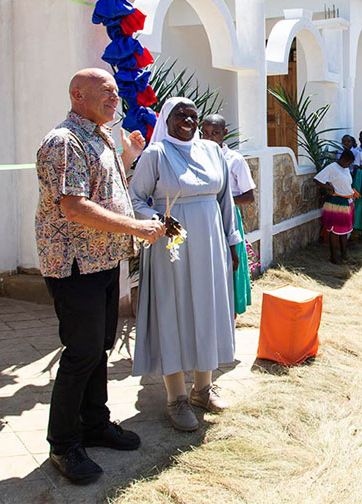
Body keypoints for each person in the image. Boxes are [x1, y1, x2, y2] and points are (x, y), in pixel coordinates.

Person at [36, 68, 166, 483]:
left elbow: (108, 191)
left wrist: (127, 157)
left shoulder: (99, 135)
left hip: (104, 261)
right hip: (76, 266)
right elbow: (73, 206)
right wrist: (136, 228)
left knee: (99, 349)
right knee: (80, 354)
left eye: (115, 92)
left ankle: (94, 423)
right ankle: (64, 445)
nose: (115, 99)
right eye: (106, 92)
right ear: (78, 94)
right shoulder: (65, 141)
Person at [128, 97, 240, 433]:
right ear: (166, 118)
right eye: (180, 114)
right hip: (170, 247)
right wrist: (156, 220)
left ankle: (202, 390)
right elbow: (134, 199)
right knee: (173, 314)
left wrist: (231, 241)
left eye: (193, 115)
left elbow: (225, 200)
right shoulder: (155, 155)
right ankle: (175, 398)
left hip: (209, 244)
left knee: (207, 310)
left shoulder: (213, 151)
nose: (188, 120)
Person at [200, 114, 256, 316]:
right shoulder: (196, 156)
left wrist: (222, 199)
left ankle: (230, 314)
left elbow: (249, 196)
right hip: (202, 219)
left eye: (215, 133)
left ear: (224, 133)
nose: (209, 138)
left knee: (229, 264)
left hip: (227, 219)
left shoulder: (235, 160)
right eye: (205, 133)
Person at [314, 150, 358, 264]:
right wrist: (328, 187)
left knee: (344, 231)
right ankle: (334, 257)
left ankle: (344, 254)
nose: (349, 165)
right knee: (335, 231)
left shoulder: (345, 168)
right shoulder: (332, 167)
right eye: (348, 163)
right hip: (336, 203)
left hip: (346, 201)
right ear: (343, 159)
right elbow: (317, 179)